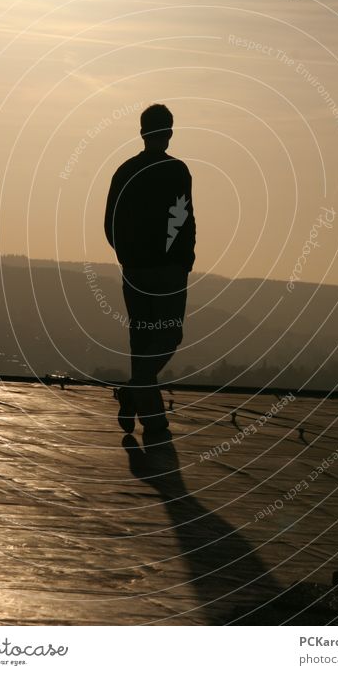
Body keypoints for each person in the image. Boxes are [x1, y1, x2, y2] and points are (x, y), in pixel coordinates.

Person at [104, 104, 196, 435]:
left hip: (137, 269)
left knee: (142, 341)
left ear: (142, 131)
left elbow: (109, 223)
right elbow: (183, 217)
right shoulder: (177, 170)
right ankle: (143, 404)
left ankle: (141, 403)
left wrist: (128, 256)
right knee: (168, 335)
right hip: (167, 269)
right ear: (169, 133)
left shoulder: (125, 171)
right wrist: (183, 258)